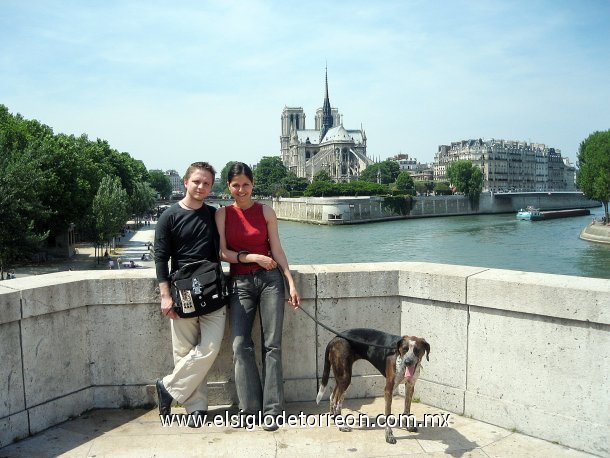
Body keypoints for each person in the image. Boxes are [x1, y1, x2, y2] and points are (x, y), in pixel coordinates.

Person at [215, 162, 300, 431]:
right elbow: (222, 253)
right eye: (236, 184)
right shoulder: (222, 214)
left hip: (270, 281)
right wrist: (251, 257)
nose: (241, 190)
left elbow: (277, 248)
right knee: (240, 345)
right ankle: (249, 408)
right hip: (239, 283)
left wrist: (290, 282)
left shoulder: (266, 211)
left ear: (253, 185)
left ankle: (273, 410)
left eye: (246, 184)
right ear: (228, 186)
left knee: (272, 345)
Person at [154, 161, 226, 428]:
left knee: (210, 348)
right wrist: (164, 295)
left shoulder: (214, 214)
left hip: (212, 290)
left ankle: (167, 386)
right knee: (183, 351)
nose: (201, 186)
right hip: (181, 291)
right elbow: (160, 259)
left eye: (207, 183)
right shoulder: (168, 217)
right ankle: (195, 407)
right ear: (186, 182)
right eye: (197, 181)